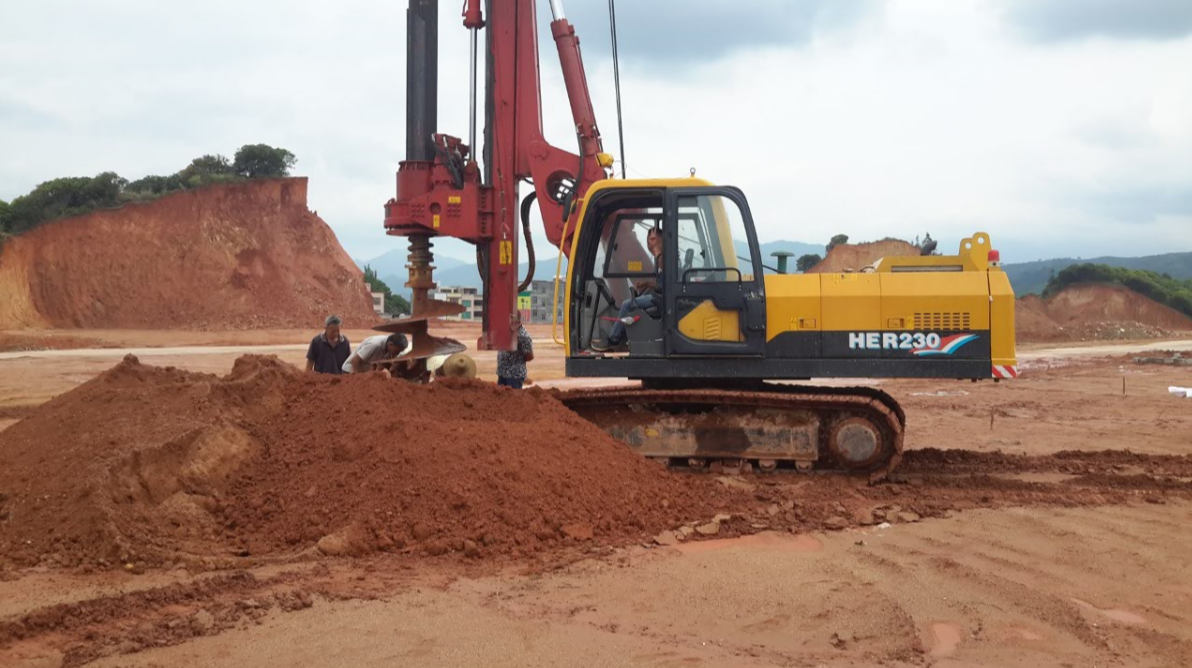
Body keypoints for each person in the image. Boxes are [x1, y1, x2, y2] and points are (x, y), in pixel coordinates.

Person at [599, 226, 664, 350]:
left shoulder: (663, 258)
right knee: (634, 300)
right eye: (648, 241)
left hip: (660, 299)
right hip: (659, 296)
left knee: (626, 304)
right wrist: (645, 284)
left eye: (653, 240)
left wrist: (656, 249)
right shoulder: (662, 258)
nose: (649, 244)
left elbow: (663, 286)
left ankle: (614, 339)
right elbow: (662, 283)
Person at [496, 315, 534, 389]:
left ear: (517, 320)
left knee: (513, 398)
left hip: (514, 375)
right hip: (502, 373)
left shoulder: (523, 336)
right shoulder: (507, 332)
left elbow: (530, 356)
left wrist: (516, 359)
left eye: (511, 317)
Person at [343, 333, 409, 373]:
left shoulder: (392, 346)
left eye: (400, 352)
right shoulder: (375, 344)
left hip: (365, 371)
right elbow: (355, 361)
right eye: (396, 351)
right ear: (390, 344)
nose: (397, 354)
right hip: (350, 370)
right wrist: (359, 378)